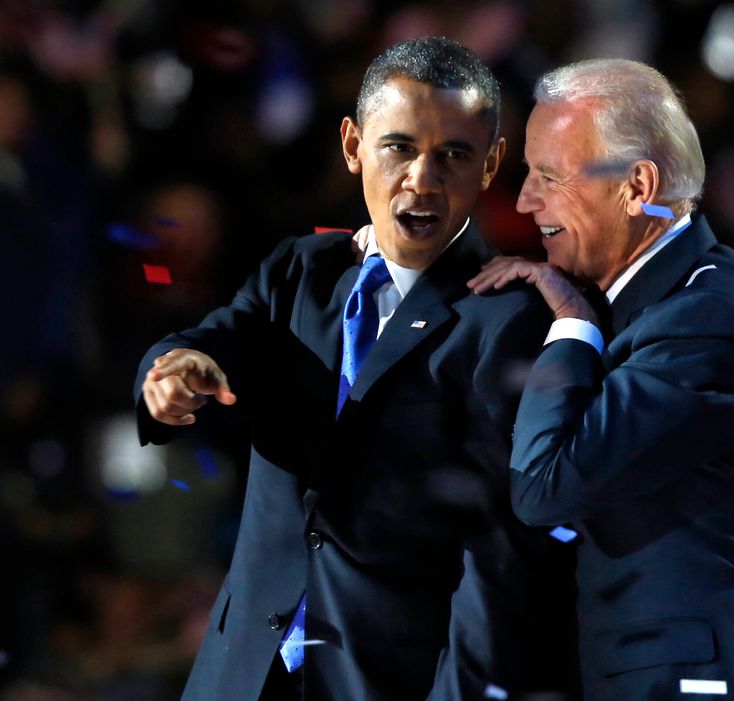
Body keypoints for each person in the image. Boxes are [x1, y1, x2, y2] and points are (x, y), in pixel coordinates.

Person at [136, 37, 578, 701]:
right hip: (242, 674)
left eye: (453, 155)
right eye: (399, 146)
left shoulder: (510, 319)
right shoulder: (299, 272)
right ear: (353, 146)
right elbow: (216, 339)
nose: (421, 179)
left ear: (490, 165)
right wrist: (172, 368)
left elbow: (499, 554)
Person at [469, 58, 734, 700]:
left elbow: (543, 486)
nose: (523, 201)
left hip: (693, 682)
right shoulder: (666, 299)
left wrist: (570, 322)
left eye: (548, 176)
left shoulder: (705, 319)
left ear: (636, 185)